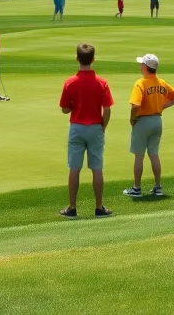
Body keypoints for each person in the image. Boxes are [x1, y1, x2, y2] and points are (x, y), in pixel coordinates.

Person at [59, 44, 114, 219]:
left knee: (74, 168)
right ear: (93, 59)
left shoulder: (70, 82)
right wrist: (102, 127)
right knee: (97, 168)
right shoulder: (101, 82)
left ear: (77, 58)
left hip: (77, 127)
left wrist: (75, 106)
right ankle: (99, 207)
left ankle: (72, 208)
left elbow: (65, 109)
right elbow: (107, 109)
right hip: (95, 127)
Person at [123, 55, 174, 198]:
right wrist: (161, 106)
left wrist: (132, 118)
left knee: (139, 156)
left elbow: (136, 105)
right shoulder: (161, 83)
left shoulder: (141, 83)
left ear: (144, 66)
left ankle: (136, 188)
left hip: (142, 121)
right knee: (154, 154)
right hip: (157, 121)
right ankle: (158, 187)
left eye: (141, 64)